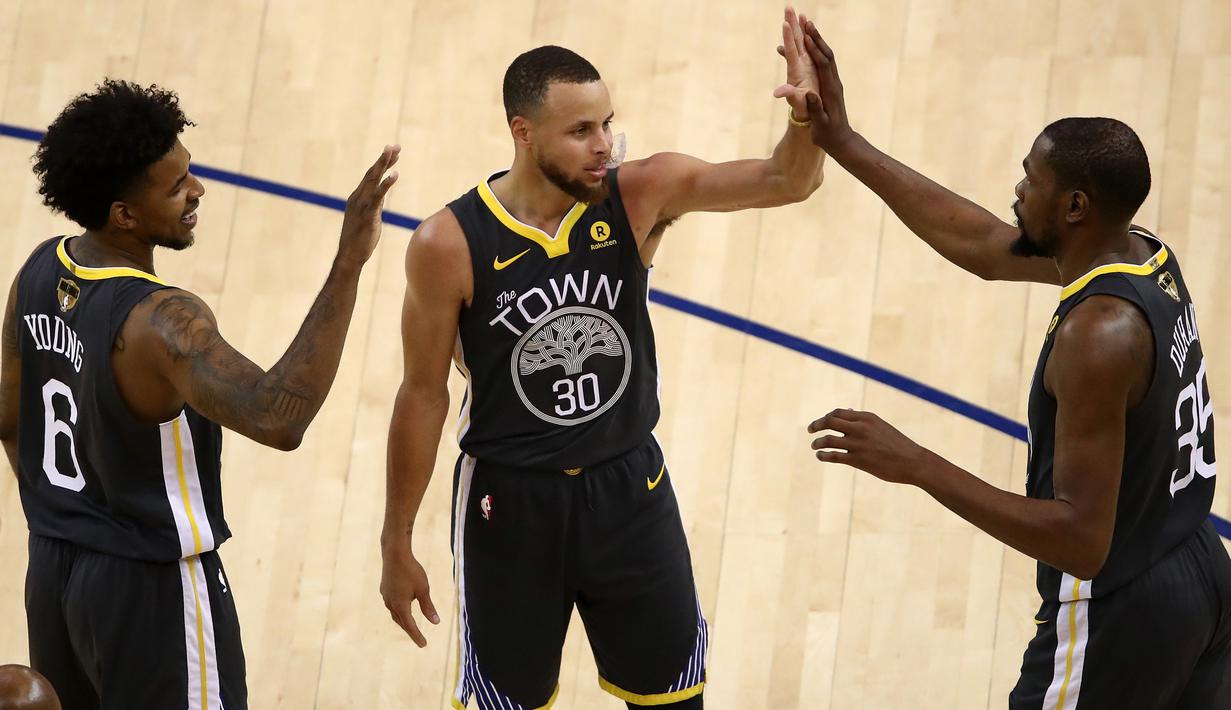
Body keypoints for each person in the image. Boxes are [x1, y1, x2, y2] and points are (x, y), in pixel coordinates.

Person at [379, 9, 826, 709]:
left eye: (607, 123)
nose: (603, 144)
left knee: (676, 699)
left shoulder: (637, 194)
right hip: (511, 500)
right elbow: (422, 394)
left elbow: (784, 181)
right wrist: (395, 540)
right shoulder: (448, 243)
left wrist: (806, 118)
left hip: (628, 490)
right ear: (522, 134)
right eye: (581, 130)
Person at [797, 22, 1231, 709]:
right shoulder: (1143, 254)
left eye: (1031, 179)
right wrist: (840, 141)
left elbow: (1079, 540)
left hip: (1119, 607)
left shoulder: (1098, 336)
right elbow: (979, 244)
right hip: (1199, 572)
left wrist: (916, 464)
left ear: (1074, 207)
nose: (1015, 192)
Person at [0, 79, 399, 709]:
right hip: (150, 587)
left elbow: (9, 416)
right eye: (176, 186)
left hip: (54, 570)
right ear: (123, 215)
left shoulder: (39, 270)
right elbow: (278, 416)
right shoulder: (161, 321)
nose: (198, 192)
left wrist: (71, 516)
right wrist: (348, 262)